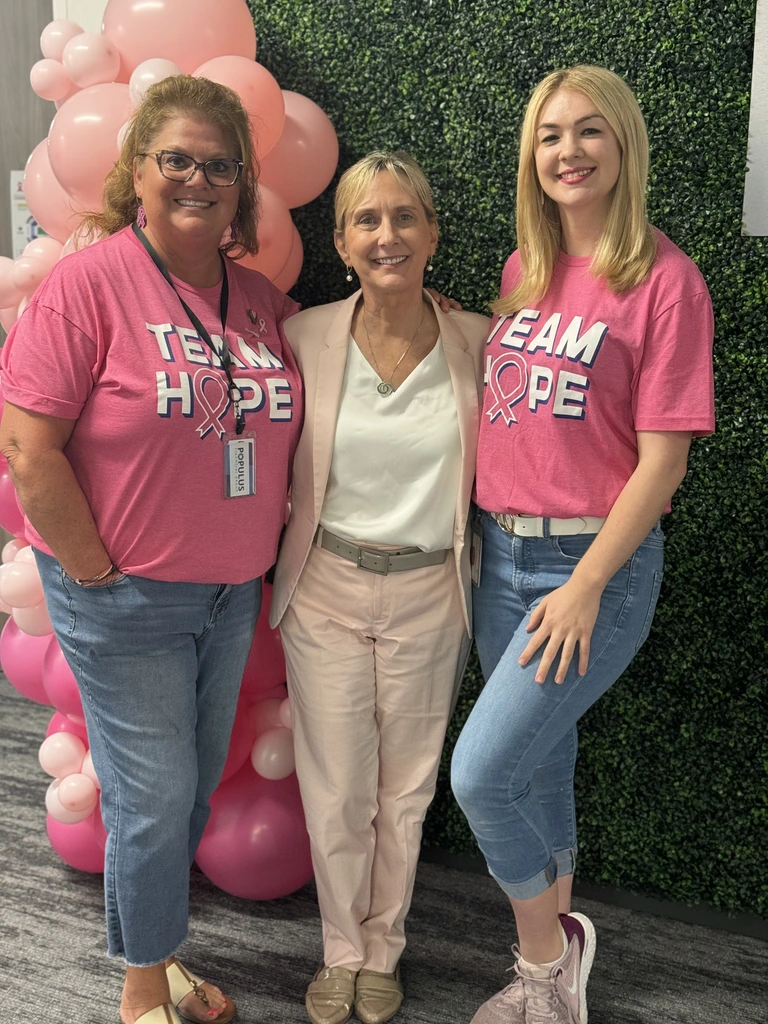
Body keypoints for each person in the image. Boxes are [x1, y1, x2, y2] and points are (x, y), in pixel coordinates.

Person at [0, 76, 302, 1024]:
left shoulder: (258, 301)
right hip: (125, 596)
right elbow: (25, 447)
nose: (198, 179)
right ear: (138, 170)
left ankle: (158, 954)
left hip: (230, 596)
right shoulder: (87, 286)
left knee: (184, 793)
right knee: (153, 797)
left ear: (241, 185)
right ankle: (140, 995)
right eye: (177, 158)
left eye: (219, 165)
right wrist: (93, 574)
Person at [450, 66, 715, 1024]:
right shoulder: (523, 269)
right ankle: (557, 975)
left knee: (481, 776)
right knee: (540, 763)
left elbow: (664, 463)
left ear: (624, 146)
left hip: (588, 570)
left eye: (589, 131)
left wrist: (589, 583)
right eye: (551, 134)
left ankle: (543, 960)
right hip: (500, 557)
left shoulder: (666, 282)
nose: (568, 151)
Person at [269, 151, 488, 1024]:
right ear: (341, 242)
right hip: (325, 583)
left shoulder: (482, 341)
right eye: (367, 220)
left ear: (432, 232)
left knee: (406, 789)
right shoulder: (303, 337)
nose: (387, 235)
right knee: (336, 789)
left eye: (403, 217)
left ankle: (384, 949)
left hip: (434, 591)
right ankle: (342, 952)